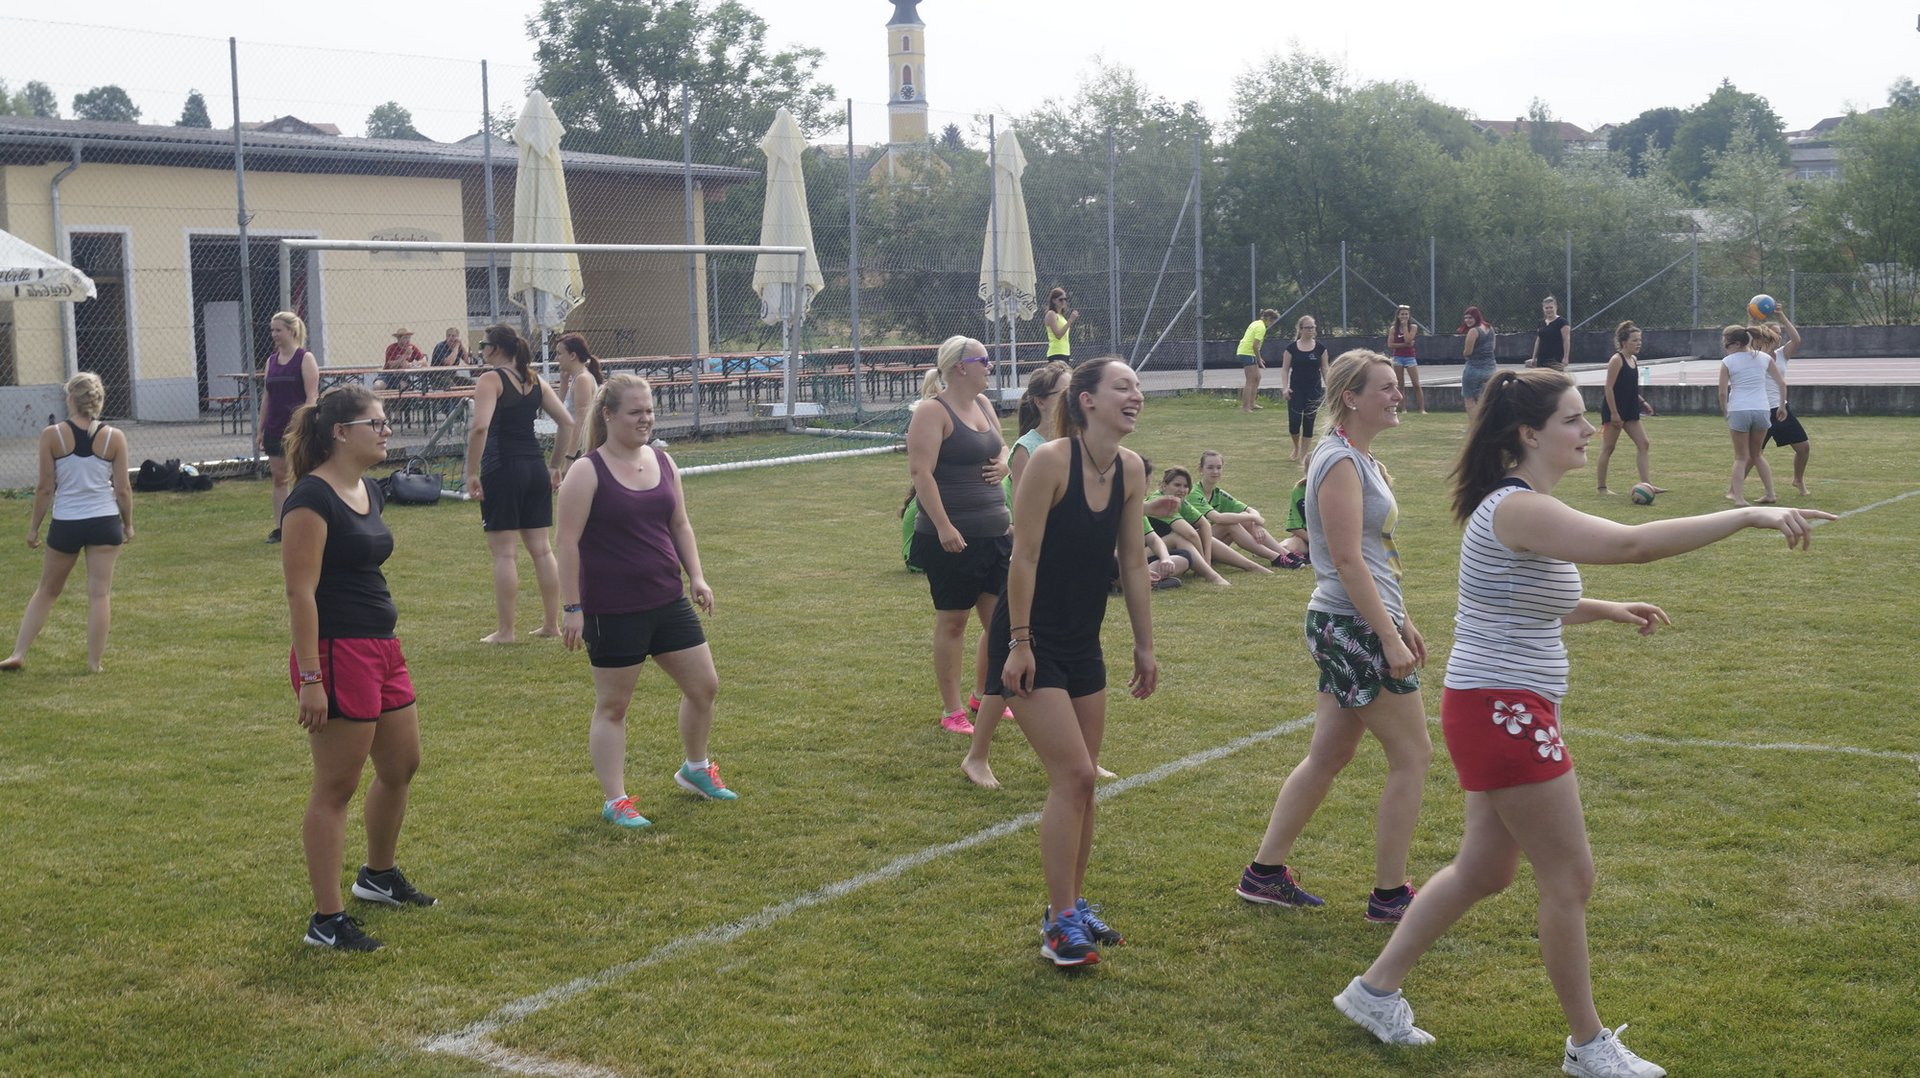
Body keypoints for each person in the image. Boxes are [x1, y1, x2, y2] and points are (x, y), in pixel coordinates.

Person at [1333, 367, 1834, 1077]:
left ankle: (1373, 991)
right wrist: (1749, 515)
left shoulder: (1521, 505)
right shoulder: (1518, 507)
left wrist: (1605, 609)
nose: (1589, 430)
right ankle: (1587, 1046)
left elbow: (1524, 598)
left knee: (1482, 869)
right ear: (1529, 434)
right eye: (1572, 419)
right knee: (1569, 878)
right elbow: (1633, 544)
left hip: (1496, 704)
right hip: (1503, 709)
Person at [1236, 351, 1429, 924]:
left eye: (1396, 386)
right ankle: (1390, 897)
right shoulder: (1340, 460)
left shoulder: (1357, 456)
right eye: (1386, 388)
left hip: (1354, 621)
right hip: (1352, 626)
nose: (1397, 395)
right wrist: (1387, 635)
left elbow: (1375, 555)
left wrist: (1403, 619)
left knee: (1329, 754)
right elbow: (1346, 560)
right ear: (1351, 397)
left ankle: (1264, 874)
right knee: (1413, 757)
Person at [987, 357, 1157, 968]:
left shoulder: (1130, 468)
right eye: (1123, 386)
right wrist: (1020, 642)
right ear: (1086, 400)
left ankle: (1073, 905)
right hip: (1030, 638)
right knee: (1076, 776)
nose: (1136, 395)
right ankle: (1059, 923)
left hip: (1084, 640)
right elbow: (1024, 558)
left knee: (1084, 788)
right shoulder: (1051, 461)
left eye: (1138, 387)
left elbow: (1133, 562)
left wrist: (1144, 644)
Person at [280, 386, 435, 953]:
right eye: (378, 423)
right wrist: (311, 678)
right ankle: (327, 920)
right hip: (337, 653)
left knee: (401, 765)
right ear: (341, 432)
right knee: (336, 787)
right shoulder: (309, 498)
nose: (387, 431)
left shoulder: (368, 489)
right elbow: (300, 593)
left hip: (382, 648)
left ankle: (378, 875)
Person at [555, 374, 734, 829]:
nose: (645, 419)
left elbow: (680, 524)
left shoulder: (663, 461)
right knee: (613, 706)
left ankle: (695, 769)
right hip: (612, 609)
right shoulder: (587, 471)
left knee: (704, 685)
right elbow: (567, 542)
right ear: (609, 415)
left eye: (649, 411)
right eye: (635, 412)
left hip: (666, 599)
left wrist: (697, 576)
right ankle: (615, 800)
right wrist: (572, 607)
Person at [962, 360, 1068, 789]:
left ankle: (1084, 754)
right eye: (1064, 392)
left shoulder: (1073, 442)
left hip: (1062, 568)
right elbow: (1030, 516)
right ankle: (977, 757)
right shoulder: (1029, 447)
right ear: (1041, 401)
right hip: (1030, 567)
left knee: (1069, 661)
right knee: (1004, 666)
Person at [906, 335, 1012, 737]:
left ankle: (985, 696)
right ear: (961, 367)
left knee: (1000, 623)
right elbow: (921, 473)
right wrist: (944, 526)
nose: (990, 365)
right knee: (953, 622)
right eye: (984, 360)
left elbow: (1002, 446)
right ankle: (952, 711)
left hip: (995, 533)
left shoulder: (983, 404)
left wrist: (1004, 463)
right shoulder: (932, 412)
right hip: (953, 537)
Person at [3, 372, 133, 674]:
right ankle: (94, 663)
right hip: (104, 521)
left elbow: (45, 488)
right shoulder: (115, 437)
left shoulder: (52, 435)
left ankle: (19, 652)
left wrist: (34, 528)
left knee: (47, 590)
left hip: (67, 523)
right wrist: (128, 524)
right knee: (99, 594)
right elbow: (123, 489)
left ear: (71, 399)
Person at [464, 323, 576, 643]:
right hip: (534, 467)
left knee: (504, 554)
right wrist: (555, 465)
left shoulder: (490, 379)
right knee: (542, 550)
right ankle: (551, 624)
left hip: (502, 469)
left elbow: (480, 428)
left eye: (484, 345)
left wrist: (471, 472)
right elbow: (567, 423)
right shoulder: (534, 379)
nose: (482, 351)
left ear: (497, 349)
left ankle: (506, 631)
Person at [259, 311, 320, 544]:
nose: (274, 334)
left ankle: (305, 526)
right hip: (275, 427)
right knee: (279, 478)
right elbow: (267, 397)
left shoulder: (305, 358)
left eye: (278, 330)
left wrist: (304, 425)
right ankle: (281, 528)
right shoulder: (271, 361)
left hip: (297, 429)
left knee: (303, 478)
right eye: (272, 330)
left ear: (291, 331)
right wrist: (261, 429)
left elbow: (311, 396)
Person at [1717, 325, 1787, 507]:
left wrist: (1725, 411)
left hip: (1739, 410)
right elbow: (1781, 383)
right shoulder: (1764, 358)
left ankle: (1738, 498)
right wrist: (1782, 406)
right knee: (1757, 455)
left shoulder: (1728, 361)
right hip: (1761, 409)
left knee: (1741, 457)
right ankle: (1770, 494)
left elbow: (1722, 393)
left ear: (1736, 343)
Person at [1594, 320, 1664, 496]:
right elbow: (1609, 388)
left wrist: (1642, 402)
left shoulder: (1634, 359)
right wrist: (1614, 414)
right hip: (1615, 409)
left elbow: (1629, 387)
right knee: (1608, 448)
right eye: (1635, 340)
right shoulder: (1616, 360)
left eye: (1640, 340)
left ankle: (1647, 484)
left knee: (1644, 443)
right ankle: (1601, 488)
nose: (1639, 343)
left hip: (1630, 409)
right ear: (1624, 342)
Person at [1191, 450, 1289, 563]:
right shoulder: (1194, 493)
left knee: (1244, 518)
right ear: (1200, 469)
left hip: (1212, 543)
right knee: (1230, 524)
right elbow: (1217, 518)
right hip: (1195, 546)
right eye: (1210, 467)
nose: (1215, 471)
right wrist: (1252, 518)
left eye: (1219, 467)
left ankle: (1286, 554)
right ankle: (1276, 558)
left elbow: (1250, 510)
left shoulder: (1218, 493)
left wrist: (1256, 524)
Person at [1754, 316, 1812, 495]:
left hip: (1780, 409)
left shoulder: (1782, 354)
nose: (1779, 336)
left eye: (1780, 333)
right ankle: (1735, 488)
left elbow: (1796, 340)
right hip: (1761, 409)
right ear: (1765, 335)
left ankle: (1798, 480)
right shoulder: (1755, 355)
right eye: (1775, 333)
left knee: (1803, 447)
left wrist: (1782, 317)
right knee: (1752, 455)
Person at [1280, 315, 1329, 464]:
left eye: (1313, 327)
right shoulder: (1291, 349)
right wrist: (1285, 388)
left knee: (1309, 421)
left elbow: (1325, 368)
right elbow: (1285, 369)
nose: (1311, 330)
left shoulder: (1321, 349)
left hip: (1314, 390)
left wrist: (1330, 387)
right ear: (1300, 329)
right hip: (1296, 390)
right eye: (1307, 328)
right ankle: (1296, 446)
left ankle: (1303, 454)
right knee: (1294, 422)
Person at [556, 332, 606, 462]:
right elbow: (560, 411)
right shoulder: (577, 378)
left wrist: (570, 456)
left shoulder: (582, 380)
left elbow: (582, 421)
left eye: (559, 353)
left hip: (581, 450)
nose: (556, 358)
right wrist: (563, 383)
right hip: (575, 448)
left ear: (572, 355)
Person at [1237, 309, 1280, 412]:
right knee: (1250, 379)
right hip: (1247, 352)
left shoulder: (1256, 323)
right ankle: (1246, 407)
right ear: (1268, 318)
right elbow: (1255, 345)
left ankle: (1252, 403)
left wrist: (1258, 357)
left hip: (1248, 352)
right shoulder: (1261, 327)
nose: (1272, 324)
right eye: (1272, 321)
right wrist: (1259, 359)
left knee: (1257, 377)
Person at [1459, 307, 1497, 416]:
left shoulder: (1473, 331)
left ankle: (1474, 424)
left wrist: (1464, 353)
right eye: (1465, 318)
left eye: (1470, 318)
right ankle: (1484, 423)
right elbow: (1493, 347)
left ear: (1476, 317)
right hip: (1490, 369)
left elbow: (1468, 352)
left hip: (1474, 369)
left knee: (1469, 399)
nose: (1467, 320)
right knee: (1483, 399)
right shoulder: (1490, 328)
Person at [1388, 305, 1426, 414]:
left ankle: (1422, 409)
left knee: (1416, 384)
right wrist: (1405, 345)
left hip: (1410, 357)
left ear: (1409, 316)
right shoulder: (1393, 329)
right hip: (1398, 357)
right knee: (1400, 385)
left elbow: (1409, 339)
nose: (1404, 316)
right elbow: (1391, 344)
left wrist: (1405, 327)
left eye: (1406, 314)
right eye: (1402, 314)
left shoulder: (1413, 327)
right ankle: (1404, 409)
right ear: (1398, 316)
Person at [1528, 295, 1571, 371]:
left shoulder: (1562, 322)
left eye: (1551, 307)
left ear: (1556, 307)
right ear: (1543, 309)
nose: (1549, 310)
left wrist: (1565, 358)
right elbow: (1538, 340)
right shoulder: (1541, 323)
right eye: (1546, 308)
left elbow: (1566, 340)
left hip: (1556, 359)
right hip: (1542, 358)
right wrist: (1534, 357)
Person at [1043, 288, 1077, 365]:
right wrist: (1070, 320)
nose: (1063, 302)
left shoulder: (1061, 316)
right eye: (1061, 299)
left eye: (1065, 299)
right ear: (1054, 300)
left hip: (1065, 352)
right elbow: (1058, 335)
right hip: (1056, 352)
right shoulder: (1051, 314)